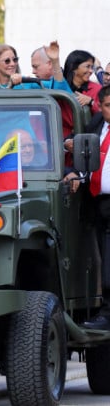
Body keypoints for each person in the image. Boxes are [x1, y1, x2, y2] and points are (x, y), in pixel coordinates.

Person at [82, 85, 110, 330]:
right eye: (109, 106)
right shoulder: (96, 125)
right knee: (101, 257)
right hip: (98, 202)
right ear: (100, 106)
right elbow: (85, 156)